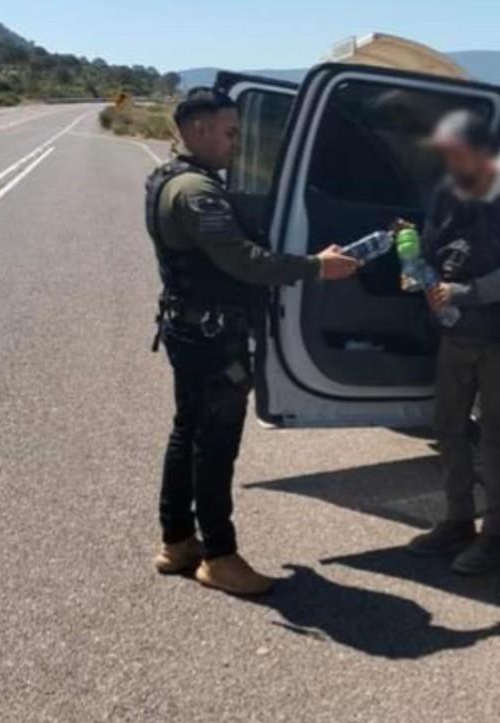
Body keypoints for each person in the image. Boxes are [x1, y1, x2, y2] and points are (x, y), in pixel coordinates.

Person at [146, 88, 359, 596]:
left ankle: (177, 540)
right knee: (214, 445)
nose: (236, 144)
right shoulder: (198, 192)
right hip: (211, 338)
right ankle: (219, 556)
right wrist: (316, 267)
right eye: (229, 132)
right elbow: (243, 261)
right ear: (197, 131)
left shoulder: (169, 179)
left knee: (188, 433)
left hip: (189, 328)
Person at [405, 110, 500, 575]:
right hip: (454, 335)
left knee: (494, 438)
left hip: (498, 339)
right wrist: (417, 274)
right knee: (447, 429)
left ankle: (496, 533)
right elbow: (426, 254)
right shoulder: (445, 195)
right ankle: (458, 519)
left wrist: (470, 292)